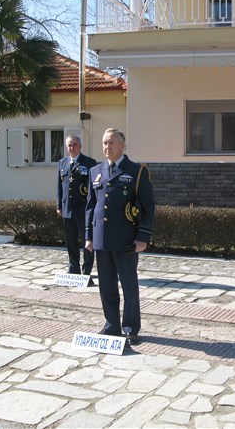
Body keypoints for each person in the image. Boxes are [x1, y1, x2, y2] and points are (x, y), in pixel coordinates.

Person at [85, 128, 155, 346]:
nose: (107, 147)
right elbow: (90, 207)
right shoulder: (95, 171)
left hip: (126, 240)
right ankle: (111, 325)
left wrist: (142, 237)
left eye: (112, 143)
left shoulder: (136, 171)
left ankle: (131, 327)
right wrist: (88, 236)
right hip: (101, 239)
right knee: (106, 285)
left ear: (123, 146)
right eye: (105, 143)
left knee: (129, 285)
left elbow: (148, 207)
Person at [57, 134, 97, 279]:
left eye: (74, 144)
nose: (72, 147)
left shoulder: (89, 163)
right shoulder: (62, 163)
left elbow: (93, 189)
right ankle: (73, 268)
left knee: (87, 241)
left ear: (80, 146)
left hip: (84, 209)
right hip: (67, 209)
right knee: (70, 241)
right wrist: (59, 205)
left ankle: (86, 270)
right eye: (69, 145)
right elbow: (60, 187)